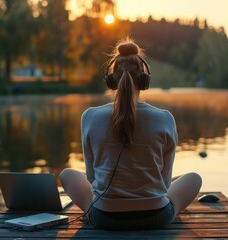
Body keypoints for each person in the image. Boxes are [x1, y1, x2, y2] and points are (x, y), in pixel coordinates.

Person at [60, 38, 202, 230]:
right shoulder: (165, 118)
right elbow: (165, 182)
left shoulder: (90, 117)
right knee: (194, 178)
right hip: (156, 217)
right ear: (144, 81)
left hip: (104, 218)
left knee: (67, 174)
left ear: (111, 81)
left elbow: (92, 179)